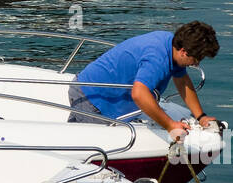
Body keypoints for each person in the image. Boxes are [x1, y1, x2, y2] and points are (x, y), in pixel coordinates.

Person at [68, 21, 220, 139]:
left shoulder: (171, 44)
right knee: (89, 152)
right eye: (197, 58)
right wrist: (170, 126)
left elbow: (182, 81)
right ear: (183, 52)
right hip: (92, 99)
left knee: (74, 139)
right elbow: (139, 94)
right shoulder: (158, 58)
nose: (197, 63)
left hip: (96, 94)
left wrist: (200, 116)